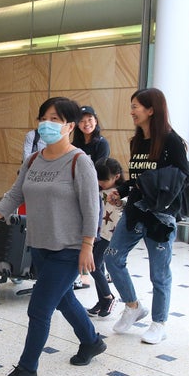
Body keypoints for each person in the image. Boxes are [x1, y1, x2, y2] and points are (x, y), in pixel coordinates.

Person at [0, 97, 104, 376]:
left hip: (69, 249)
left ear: (70, 126)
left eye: (55, 119)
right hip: (40, 245)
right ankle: (92, 341)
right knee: (64, 299)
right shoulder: (33, 160)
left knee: (40, 307)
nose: (47, 123)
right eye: (44, 117)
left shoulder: (79, 161)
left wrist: (87, 246)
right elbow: (14, 195)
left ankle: (27, 370)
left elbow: (92, 207)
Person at [104, 88, 189, 344]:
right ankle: (133, 306)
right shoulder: (138, 141)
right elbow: (138, 178)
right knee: (112, 258)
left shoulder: (171, 141)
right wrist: (120, 190)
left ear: (151, 109)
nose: (131, 112)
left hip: (161, 217)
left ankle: (159, 322)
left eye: (135, 107)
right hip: (136, 211)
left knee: (158, 272)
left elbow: (182, 177)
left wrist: (151, 185)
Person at [71, 105, 110, 290]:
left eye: (90, 119)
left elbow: (98, 170)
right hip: (75, 192)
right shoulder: (76, 145)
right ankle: (83, 274)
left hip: (93, 193)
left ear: (95, 120)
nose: (86, 124)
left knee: (91, 233)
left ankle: (88, 275)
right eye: (82, 120)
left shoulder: (101, 143)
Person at [86, 157, 125, 318]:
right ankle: (102, 300)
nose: (100, 182)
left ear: (116, 176)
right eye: (98, 178)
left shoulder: (123, 191)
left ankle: (108, 298)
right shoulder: (98, 190)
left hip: (110, 235)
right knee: (97, 267)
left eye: (104, 179)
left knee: (93, 264)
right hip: (96, 233)